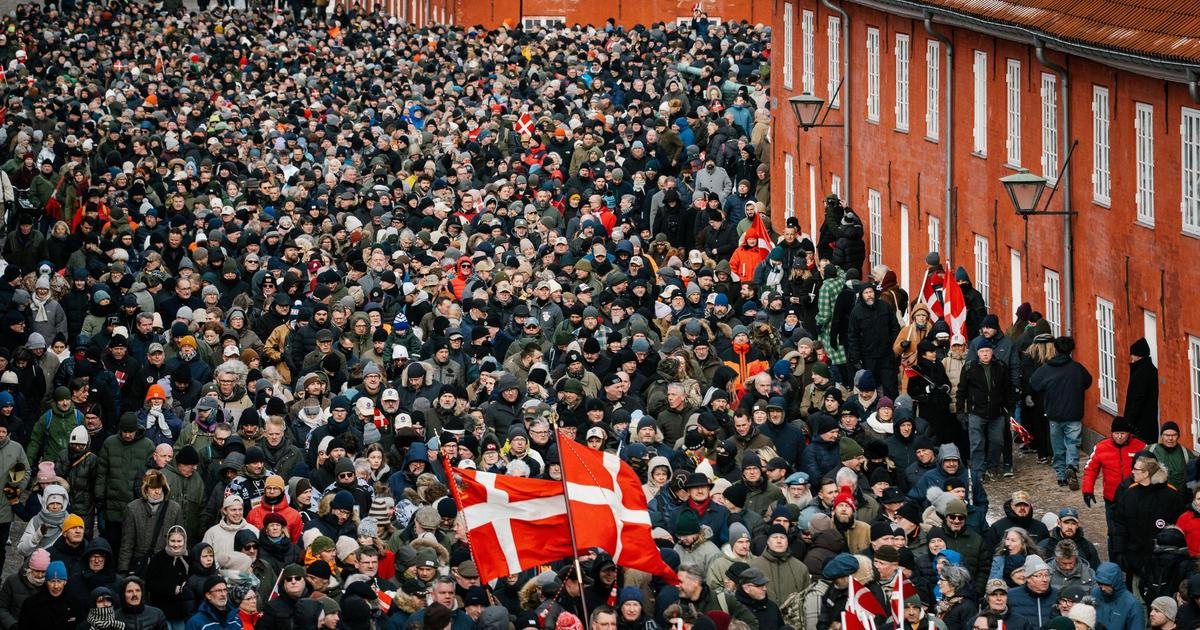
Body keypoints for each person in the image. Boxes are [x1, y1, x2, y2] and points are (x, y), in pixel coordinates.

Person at [1029, 336, 1092, 489]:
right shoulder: (1077, 368)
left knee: (1057, 446)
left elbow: (1034, 383)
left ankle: (1061, 475)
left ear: (1055, 349)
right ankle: (1071, 465)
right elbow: (1088, 381)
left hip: (1054, 413)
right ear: (1071, 350)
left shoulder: (1047, 368)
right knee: (1073, 442)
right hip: (1074, 412)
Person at [1125, 338, 1159, 445]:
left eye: (1133, 354)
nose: (1131, 357)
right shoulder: (1151, 370)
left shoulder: (1140, 373)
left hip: (1140, 423)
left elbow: (1136, 399)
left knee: (1138, 449)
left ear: (1138, 355)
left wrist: (1129, 422)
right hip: (1150, 420)